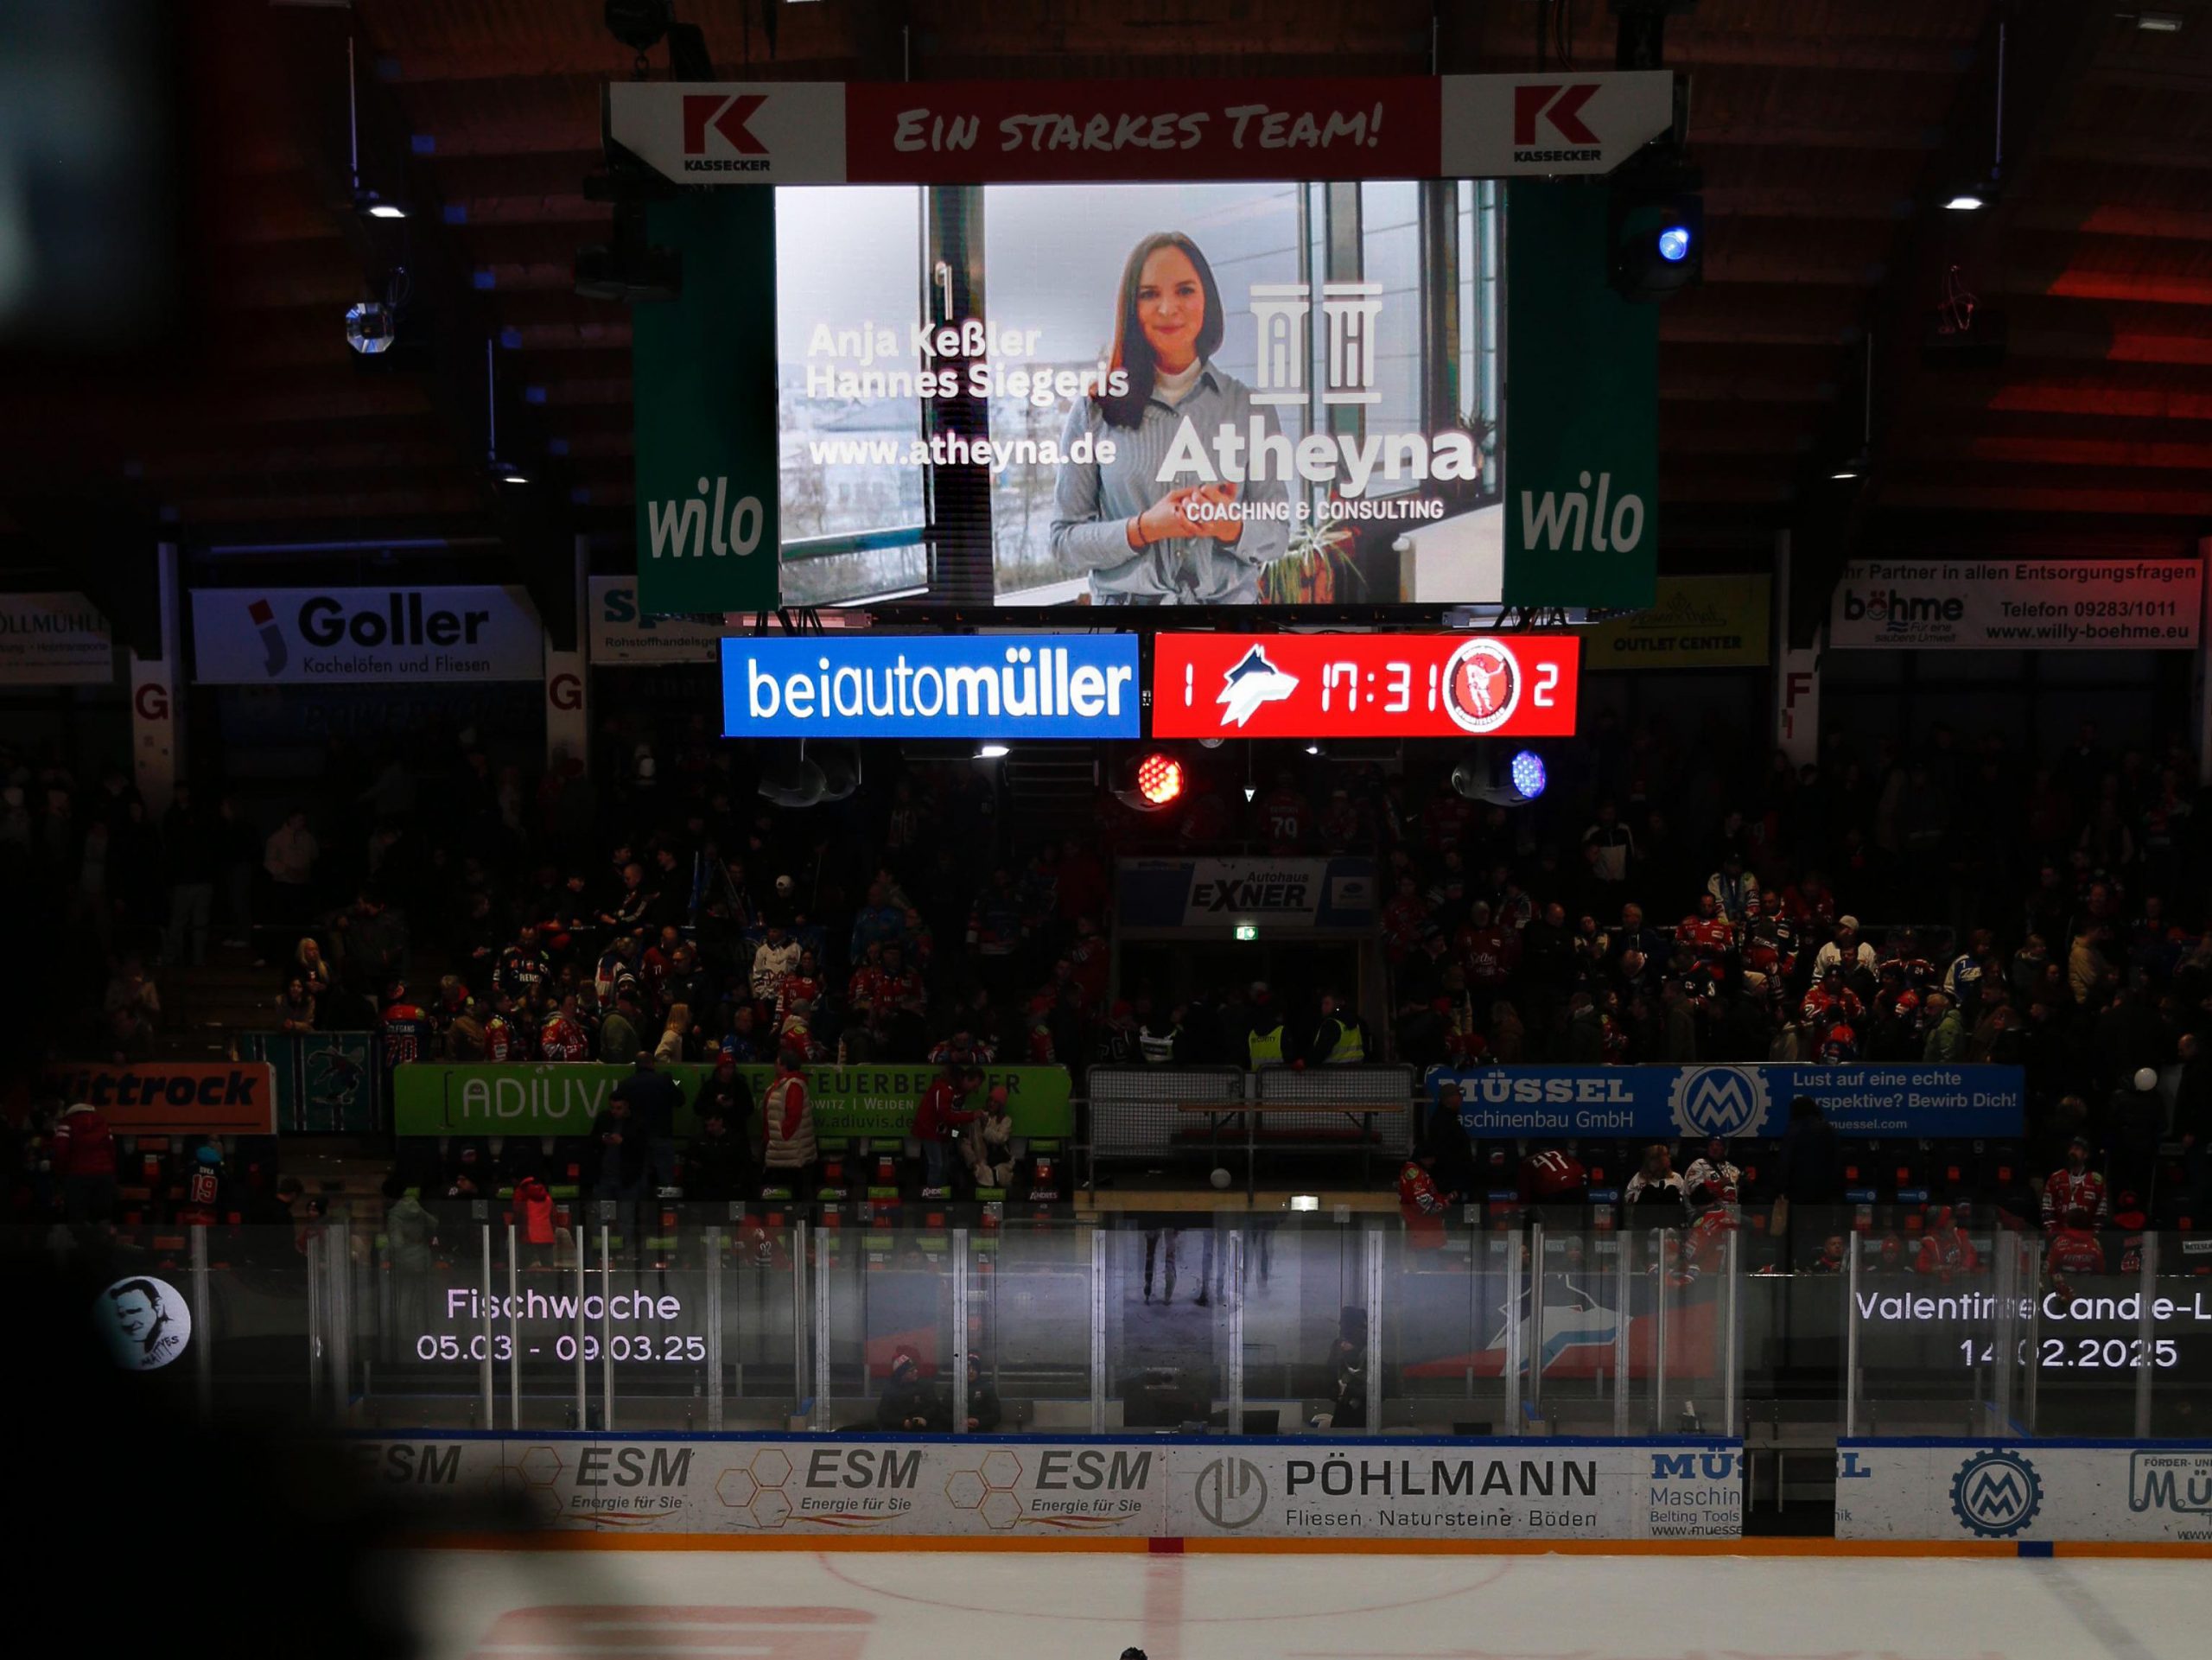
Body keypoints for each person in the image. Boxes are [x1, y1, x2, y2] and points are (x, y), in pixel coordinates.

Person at [1049, 229, 1289, 604]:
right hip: (1127, 638)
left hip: (1225, 633)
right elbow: (1064, 542)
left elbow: (1278, 533)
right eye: (1149, 294)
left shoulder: (1250, 408)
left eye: (1184, 290)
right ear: (1133, 308)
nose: (1167, 308)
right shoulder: (1094, 411)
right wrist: (1143, 529)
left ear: (1207, 299)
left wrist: (1231, 526)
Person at [612, 1052, 683, 1193]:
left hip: (636, 1138)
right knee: (666, 1181)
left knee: (640, 1179)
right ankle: (666, 1211)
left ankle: (644, 1211)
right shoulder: (664, 1081)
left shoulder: (626, 1084)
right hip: (662, 1134)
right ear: (652, 1064)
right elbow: (680, 1101)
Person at [913, 1065, 982, 1193]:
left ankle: (941, 1194)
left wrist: (956, 1135)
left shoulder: (960, 1094)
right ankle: (933, 1194)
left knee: (944, 1165)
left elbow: (953, 1122)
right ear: (966, 1079)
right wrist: (971, 1116)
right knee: (937, 1164)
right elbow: (945, 1115)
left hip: (943, 1134)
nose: (975, 1090)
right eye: (974, 1086)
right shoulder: (943, 1088)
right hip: (930, 1131)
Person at [762, 1046, 817, 1199]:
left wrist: (782, 1136)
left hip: (788, 1152)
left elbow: (793, 1116)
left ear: (784, 1065)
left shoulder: (793, 1085)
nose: (775, 1065)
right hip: (783, 1151)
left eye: (777, 1062)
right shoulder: (785, 1084)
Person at [53, 1102, 117, 1224]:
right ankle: (102, 1241)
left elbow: (61, 1151)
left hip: (78, 1175)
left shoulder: (68, 1123)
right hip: (104, 1175)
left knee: (78, 1217)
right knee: (101, 1217)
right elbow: (111, 1150)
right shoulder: (102, 1122)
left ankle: (84, 1241)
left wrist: (59, 1172)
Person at [2042, 1134, 2108, 1234]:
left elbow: (2101, 1212)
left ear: (2085, 1155)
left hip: (2087, 1237)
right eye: (2071, 1149)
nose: (2072, 1152)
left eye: (2077, 1149)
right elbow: (2047, 1208)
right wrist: (2054, 1233)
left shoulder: (2096, 1181)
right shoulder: (2055, 1178)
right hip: (2061, 1236)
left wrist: (2094, 1234)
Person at [963, 1084, 1016, 1190]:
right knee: (981, 1171)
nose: (992, 1104)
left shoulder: (1006, 1121)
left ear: (1000, 1105)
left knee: (999, 1174)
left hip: (999, 1161)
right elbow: (965, 1141)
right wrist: (972, 1161)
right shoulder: (977, 1117)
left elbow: (1001, 1139)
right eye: (991, 1100)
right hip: (979, 1161)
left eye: (996, 1102)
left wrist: (985, 1129)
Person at [1397, 1151, 1449, 1249]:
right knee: (1428, 1261)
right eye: (1432, 1158)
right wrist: (1445, 1202)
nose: (1434, 1161)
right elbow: (1425, 1204)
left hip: (1425, 1232)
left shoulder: (1416, 1170)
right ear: (1423, 1157)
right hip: (1424, 1232)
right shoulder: (1414, 1172)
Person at [877, 1347, 936, 1431]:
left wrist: (924, 1418)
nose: (916, 1371)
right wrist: (902, 1421)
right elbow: (883, 1414)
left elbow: (934, 1406)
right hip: (897, 1433)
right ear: (902, 1375)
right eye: (911, 1371)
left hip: (923, 1432)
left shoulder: (924, 1386)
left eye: (915, 1368)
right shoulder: (890, 1389)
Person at [1914, 1206, 1979, 1282]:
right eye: (1950, 1219)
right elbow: (1921, 1266)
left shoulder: (1960, 1236)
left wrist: (1965, 1267)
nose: (1954, 1221)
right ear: (1941, 1223)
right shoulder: (1930, 1242)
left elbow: (1971, 1254)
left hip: (1962, 1281)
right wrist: (1939, 1269)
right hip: (1938, 1285)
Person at [1623, 1143, 1687, 1218]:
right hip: (1646, 1222)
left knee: (1671, 1189)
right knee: (1649, 1190)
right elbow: (1629, 1201)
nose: (1669, 1157)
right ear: (1655, 1160)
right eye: (1666, 1155)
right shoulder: (1639, 1177)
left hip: (1670, 1222)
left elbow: (1684, 1201)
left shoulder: (1676, 1178)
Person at [1309, 989, 1370, 1065]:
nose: (1323, 1007)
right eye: (1323, 1004)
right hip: (1356, 1071)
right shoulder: (1357, 1022)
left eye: (1327, 1003)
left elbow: (1320, 1052)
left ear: (1336, 1004)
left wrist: (1306, 1062)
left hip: (1332, 1071)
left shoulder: (1331, 1025)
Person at [510, 1173, 556, 1268]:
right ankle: (548, 1282)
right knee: (548, 1267)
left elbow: (519, 1216)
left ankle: (527, 1282)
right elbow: (554, 1218)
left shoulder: (522, 1197)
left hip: (529, 1237)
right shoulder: (548, 1198)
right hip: (547, 1236)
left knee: (523, 1268)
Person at [960, 1353, 1003, 1434]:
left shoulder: (987, 1388)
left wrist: (979, 1421)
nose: (971, 1372)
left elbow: (996, 1415)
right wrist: (958, 1421)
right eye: (968, 1368)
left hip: (983, 1435)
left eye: (974, 1369)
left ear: (979, 1371)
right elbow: (944, 1412)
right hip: (957, 1434)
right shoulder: (956, 1388)